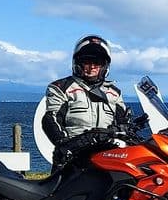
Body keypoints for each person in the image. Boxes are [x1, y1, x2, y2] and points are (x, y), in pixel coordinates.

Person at [42, 34, 133, 170]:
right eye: (87, 61)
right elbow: (51, 119)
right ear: (77, 62)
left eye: (97, 62)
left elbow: (123, 122)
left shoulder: (114, 93)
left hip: (106, 156)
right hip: (72, 157)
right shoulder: (61, 87)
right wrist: (67, 144)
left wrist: (129, 130)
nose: (92, 66)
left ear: (104, 65)